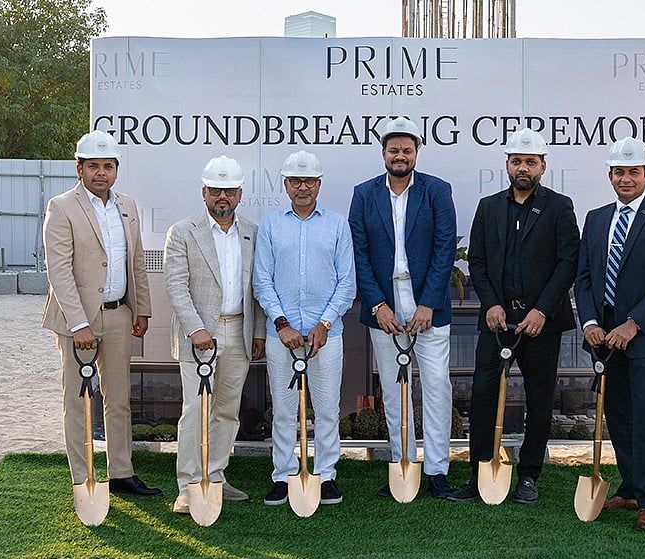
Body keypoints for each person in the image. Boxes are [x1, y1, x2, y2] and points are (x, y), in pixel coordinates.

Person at [449, 128, 580, 504]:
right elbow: (477, 261)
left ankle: (529, 476)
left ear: (543, 166)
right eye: (517, 161)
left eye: (530, 162)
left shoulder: (559, 207)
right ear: (507, 164)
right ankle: (479, 473)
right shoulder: (488, 207)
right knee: (483, 395)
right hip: (496, 322)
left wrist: (542, 310)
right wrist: (490, 303)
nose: (523, 167)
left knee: (539, 399)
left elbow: (568, 263)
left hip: (541, 324)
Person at [574, 136, 645, 532]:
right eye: (619, 172)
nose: (626, 178)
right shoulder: (596, 219)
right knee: (617, 414)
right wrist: (590, 323)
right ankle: (629, 488)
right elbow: (584, 278)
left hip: (644, 337)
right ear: (610, 176)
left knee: (643, 415)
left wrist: (633, 324)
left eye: (633, 172)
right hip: (603, 338)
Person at [42, 130, 160, 496]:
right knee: (78, 401)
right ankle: (83, 476)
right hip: (78, 321)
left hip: (119, 315)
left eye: (108, 166)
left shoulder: (127, 206)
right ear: (79, 168)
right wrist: (79, 323)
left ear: (116, 170)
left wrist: (142, 309)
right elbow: (59, 270)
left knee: (119, 399)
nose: (101, 173)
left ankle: (121, 473)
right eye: (93, 165)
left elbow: (136, 261)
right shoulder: (62, 207)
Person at [348, 117, 458, 499]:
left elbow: (445, 248)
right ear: (383, 153)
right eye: (393, 149)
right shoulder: (364, 194)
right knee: (394, 393)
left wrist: (429, 303)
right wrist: (377, 305)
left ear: (416, 153)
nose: (400, 155)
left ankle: (438, 471)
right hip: (386, 310)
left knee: (437, 388)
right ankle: (403, 465)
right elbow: (359, 254)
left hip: (428, 308)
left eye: (406, 150)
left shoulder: (437, 191)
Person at [163, 155, 267, 514]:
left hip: (239, 329)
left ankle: (216, 477)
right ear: (204, 192)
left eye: (230, 190)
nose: (223, 196)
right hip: (199, 335)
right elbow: (176, 286)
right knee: (195, 410)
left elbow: (256, 288)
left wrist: (258, 333)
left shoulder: (252, 232)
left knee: (227, 410)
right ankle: (188, 485)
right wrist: (196, 329)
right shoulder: (182, 231)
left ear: (240, 194)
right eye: (216, 190)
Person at [253, 150, 356, 506]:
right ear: (285, 185)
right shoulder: (270, 226)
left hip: (326, 337)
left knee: (327, 410)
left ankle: (325, 476)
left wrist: (324, 323)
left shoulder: (337, 225)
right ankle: (283, 476)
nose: (302, 187)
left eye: (309, 181)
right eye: (295, 181)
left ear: (319, 184)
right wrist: (281, 323)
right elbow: (262, 281)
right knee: (283, 411)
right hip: (281, 337)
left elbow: (347, 283)